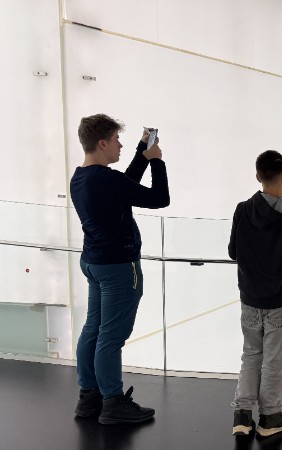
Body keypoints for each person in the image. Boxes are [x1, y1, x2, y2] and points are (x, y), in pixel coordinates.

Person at [70, 114, 170, 425]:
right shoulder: (106, 180)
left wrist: (143, 149)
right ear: (102, 143)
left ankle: (89, 398)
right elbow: (160, 198)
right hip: (119, 268)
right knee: (111, 337)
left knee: (93, 329)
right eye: (116, 140)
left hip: (94, 264)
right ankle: (112, 402)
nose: (120, 145)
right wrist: (156, 161)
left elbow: (124, 185)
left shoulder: (81, 177)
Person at [228, 150, 282, 437]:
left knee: (251, 355)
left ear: (258, 177)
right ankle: (270, 417)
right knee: (273, 361)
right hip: (279, 301)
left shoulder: (242, 209)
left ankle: (242, 415)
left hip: (249, 299)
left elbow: (233, 252)